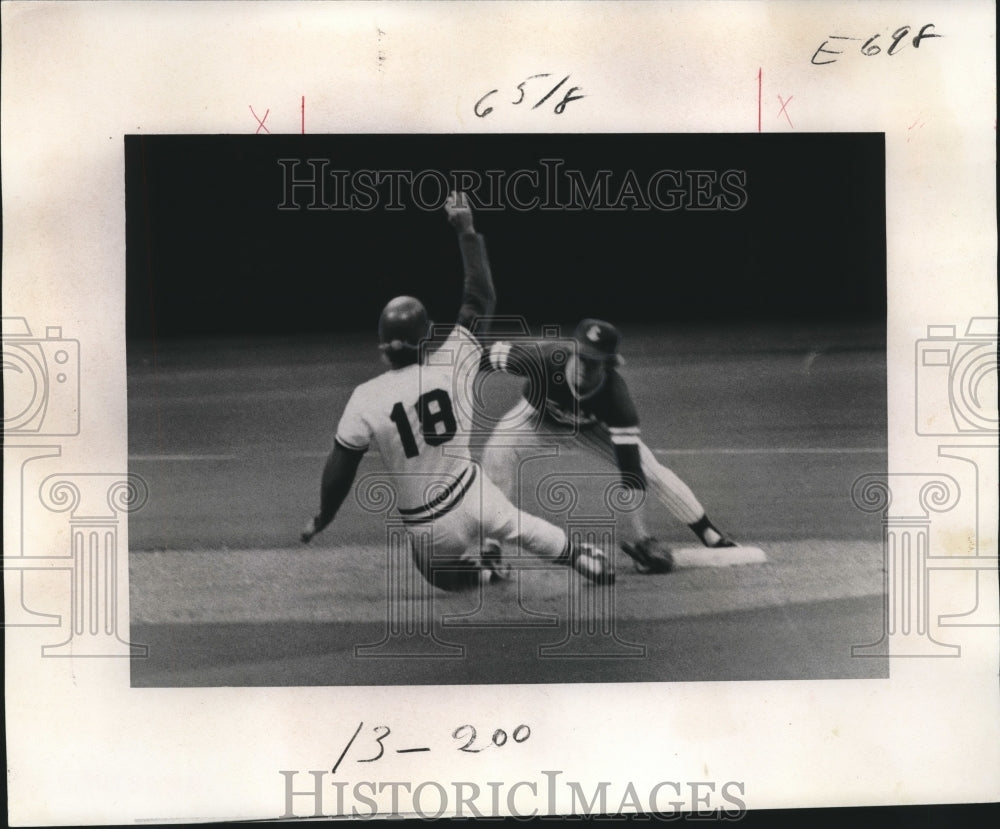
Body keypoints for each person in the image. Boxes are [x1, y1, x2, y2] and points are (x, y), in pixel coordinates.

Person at [300, 192, 614, 590]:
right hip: (475, 493)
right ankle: (580, 556)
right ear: (426, 337)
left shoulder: (366, 397)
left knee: (432, 568)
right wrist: (466, 231)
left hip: (430, 528)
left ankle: (484, 572)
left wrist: (323, 517)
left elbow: (339, 471)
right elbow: (480, 297)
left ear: (382, 349)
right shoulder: (453, 359)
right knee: (516, 524)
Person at [479, 318, 737, 574]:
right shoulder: (545, 359)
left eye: (593, 361)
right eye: (581, 356)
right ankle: (491, 546)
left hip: (592, 430)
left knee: (652, 471)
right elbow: (485, 356)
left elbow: (632, 475)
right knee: (497, 450)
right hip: (537, 419)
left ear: (608, 363)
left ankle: (710, 534)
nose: (583, 365)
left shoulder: (616, 399)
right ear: (571, 350)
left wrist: (641, 536)